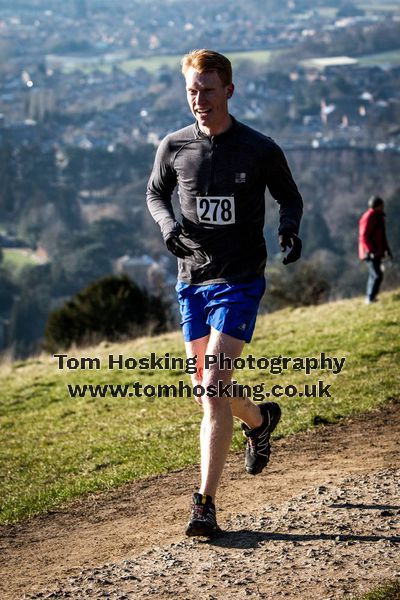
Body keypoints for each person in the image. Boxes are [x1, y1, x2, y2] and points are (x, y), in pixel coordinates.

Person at [146, 49, 303, 537]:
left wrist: (290, 228)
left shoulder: (258, 148)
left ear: (229, 91)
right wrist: (169, 225)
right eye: (192, 91)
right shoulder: (173, 146)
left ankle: (204, 504)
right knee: (206, 392)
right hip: (192, 280)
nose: (199, 100)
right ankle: (259, 421)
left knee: (213, 385)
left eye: (208, 91)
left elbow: (288, 196)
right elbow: (155, 193)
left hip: (238, 280)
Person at [359, 196, 392, 304]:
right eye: (382, 205)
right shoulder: (369, 217)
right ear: (377, 205)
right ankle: (370, 297)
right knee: (376, 274)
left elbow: (382, 236)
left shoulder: (379, 216)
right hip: (369, 252)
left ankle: (371, 297)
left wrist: (386, 249)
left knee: (374, 274)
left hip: (376, 251)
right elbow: (363, 236)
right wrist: (371, 250)